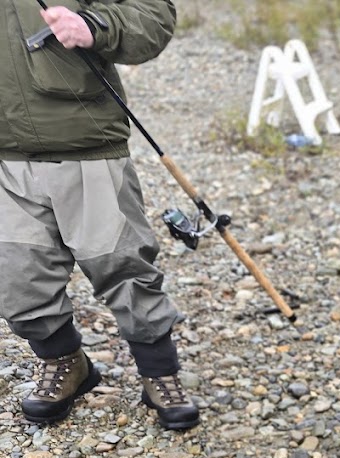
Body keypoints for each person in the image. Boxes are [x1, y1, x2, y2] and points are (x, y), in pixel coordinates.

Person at [0, 0, 198, 430]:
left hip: (85, 144)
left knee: (122, 264)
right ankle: (65, 364)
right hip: (5, 158)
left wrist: (94, 26)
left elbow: (152, 15)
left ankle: (159, 372)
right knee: (18, 279)